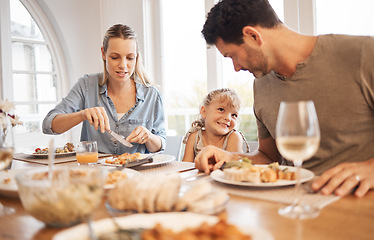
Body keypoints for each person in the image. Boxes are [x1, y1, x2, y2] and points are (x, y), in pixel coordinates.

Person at [196, 0, 374, 197]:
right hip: (290, 205)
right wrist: (230, 157)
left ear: (253, 36)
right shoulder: (262, 84)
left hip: (356, 205)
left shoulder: (363, 54)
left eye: (232, 56)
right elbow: (269, 156)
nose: (236, 67)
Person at [43, 24, 166, 154]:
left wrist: (148, 137)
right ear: (103, 53)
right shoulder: (86, 86)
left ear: (136, 57)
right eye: (115, 57)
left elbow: (160, 144)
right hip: (95, 172)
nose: (123, 65)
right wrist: (82, 114)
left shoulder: (152, 95)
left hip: (137, 173)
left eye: (130, 58)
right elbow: (48, 125)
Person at [182, 88, 249, 162]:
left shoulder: (234, 137)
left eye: (234, 115)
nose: (228, 118)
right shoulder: (194, 137)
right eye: (221, 110)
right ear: (204, 111)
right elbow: (185, 167)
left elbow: (232, 168)